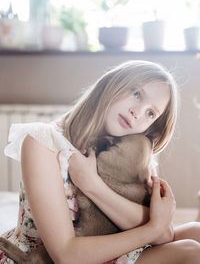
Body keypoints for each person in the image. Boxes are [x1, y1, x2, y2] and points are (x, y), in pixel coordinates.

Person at [0, 60, 200, 264]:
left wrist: (91, 184)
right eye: (137, 94)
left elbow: (164, 234)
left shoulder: (133, 148)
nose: (138, 113)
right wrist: (152, 230)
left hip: (108, 249)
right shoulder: (42, 141)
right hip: (51, 259)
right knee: (192, 252)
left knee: (196, 232)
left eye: (151, 113)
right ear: (112, 83)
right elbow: (66, 256)